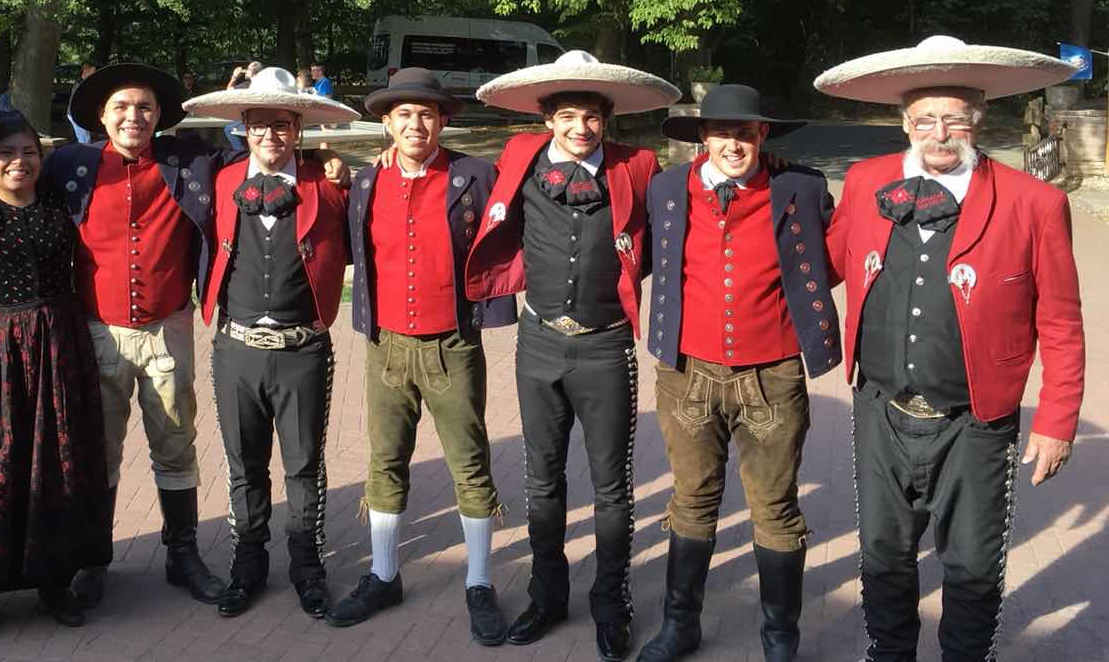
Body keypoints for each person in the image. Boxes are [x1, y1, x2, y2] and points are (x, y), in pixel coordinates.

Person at [816, 35, 1085, 662]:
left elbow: (1061, 322)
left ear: (979, 118)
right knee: (883, 553)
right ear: (904, 122)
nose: (939, 133)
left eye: (955, 119)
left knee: (972, 563)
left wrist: (1056, 420)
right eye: (926, 119)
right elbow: (825, 263)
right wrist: (777, 198)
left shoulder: (1036, 203)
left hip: (975, 420)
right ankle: (888, 653)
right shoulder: (866, 181)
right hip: (880, 407)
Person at [0, 62, 226, 610]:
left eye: (144, 107)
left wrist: (323, 162)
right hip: (96, 330)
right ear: (101, 115)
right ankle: (95, 558)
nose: (133, 117)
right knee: (96, 451)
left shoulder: (189, 160)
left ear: (159, 115)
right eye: (121, 107)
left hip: (167, 326)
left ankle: (183, 552)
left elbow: (254, 160)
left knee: (175, 444)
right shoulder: (72, 164)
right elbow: (12, 172)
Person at [465, 50, 681, 662]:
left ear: (605, 120)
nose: (579, 127)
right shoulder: (518, 157)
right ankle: (548, 594)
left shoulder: (637, 165)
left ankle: (611, 602)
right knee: (542, 478)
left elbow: (681, 203)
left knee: (612, 486)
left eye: (590, 116)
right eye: (567, 116)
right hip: (537, 342)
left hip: (607, 344)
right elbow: (461, 178)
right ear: (547, 119)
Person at [638, 85, 842, 662]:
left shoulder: (801, 187)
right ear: (702, 137)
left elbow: (836, 256)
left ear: (763, 136)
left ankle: (780, 638)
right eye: (722, 132)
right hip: (686, 371)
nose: (734, 144)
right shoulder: (667, 188)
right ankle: (680, 626)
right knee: (690, 499)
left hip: (772, 376)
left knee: (775, 507)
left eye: (746, 133)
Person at [325, 68, 516, 644]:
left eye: (427, 114)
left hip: (453, 343)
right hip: (385, 343)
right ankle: (385, 575)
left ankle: (478, 582)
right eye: (404, 114)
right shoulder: (365, 182)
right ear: (387, 123)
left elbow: (528, 175)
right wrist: (325, 163)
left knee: (469, 461)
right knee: (385, 459)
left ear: (443, 121)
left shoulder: (475, 175)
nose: (416, 124)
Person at [181, 67, 359, 619]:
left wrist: (341, 168)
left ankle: (307, 566)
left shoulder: (327, 185)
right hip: (235, 348)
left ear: (298, 129)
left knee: (304, 465)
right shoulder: (219, 180)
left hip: (302, 349)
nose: (269, 135)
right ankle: (248, 563)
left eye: (281, 125)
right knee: (244, 464)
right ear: (243, 127)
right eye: (258, 125)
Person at [0, 110, 113, 642]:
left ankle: (54, 580)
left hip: (58, 344)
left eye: (28, 152)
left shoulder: (61, 200)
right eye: (5, 153)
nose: (18, 162)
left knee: (56, 461)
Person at [70, 62, 98, 144]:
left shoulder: (84, 83)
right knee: (85, 140)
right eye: (92, 71)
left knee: (85, 138)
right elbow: (79, 102)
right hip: (76, 114)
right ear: (85, 70)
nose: (94, 74)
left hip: (79, 114)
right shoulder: (80, 85)